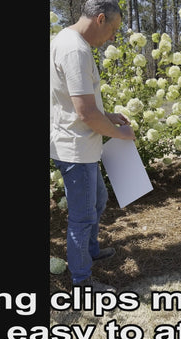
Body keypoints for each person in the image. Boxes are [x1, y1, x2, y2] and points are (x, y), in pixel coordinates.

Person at [50, 0, 135, 293]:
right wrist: (120, 135)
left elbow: (76, 104)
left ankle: (90, 251)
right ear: (100, 19)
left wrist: (108, 116)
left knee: (97, 200)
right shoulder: (75, 50)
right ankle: (82, 280)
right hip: (75, 149)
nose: (113, 37)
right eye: (113, 30)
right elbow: (85, 114)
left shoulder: (67, 40)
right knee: (83, 215)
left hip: (81, 144)